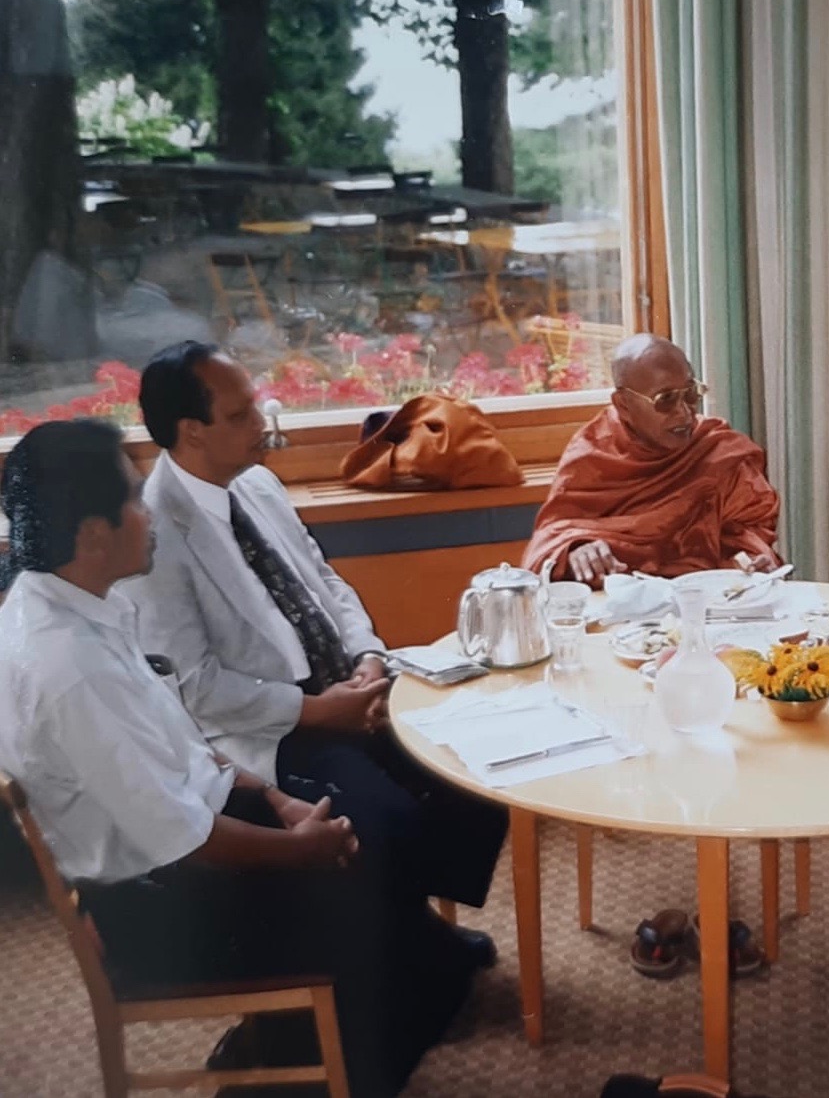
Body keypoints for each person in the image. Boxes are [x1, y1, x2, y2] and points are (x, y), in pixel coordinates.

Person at [0, 420, 470, 1095]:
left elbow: (180, 743)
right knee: (359, 870)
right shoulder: (67, 666)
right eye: (135, 500)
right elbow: (181, 839)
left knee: (370, 832)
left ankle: (354, 1019)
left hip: (180, 842)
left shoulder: (69, 606)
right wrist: (300, 849)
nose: (149, 513)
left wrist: (274, 796)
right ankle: (330, 1070)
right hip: (159, 909)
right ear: (94, 535)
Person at [120, 341, 508, 944]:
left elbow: (325, 582)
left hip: (348, 688)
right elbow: (196, 688)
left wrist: (368, 659)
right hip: (275, 725)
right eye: (241, 415)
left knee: (482, 765)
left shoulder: (257, 485)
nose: (262, 425)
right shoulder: (154, 533)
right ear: (192, 433)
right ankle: (411, 942)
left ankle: (410, 921)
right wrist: (318, 710)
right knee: (387, 817)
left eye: (257, 405)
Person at [524, 333, 781, 585]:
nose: (684, 413)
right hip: (621, 616)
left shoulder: (719, 452)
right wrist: (574, 551)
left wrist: (750, 563)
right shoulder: (594, 454)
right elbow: (550, 538)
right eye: (665, 399)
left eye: (690, 394)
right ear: (623, 404)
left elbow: (747, 539)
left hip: (706, 608)